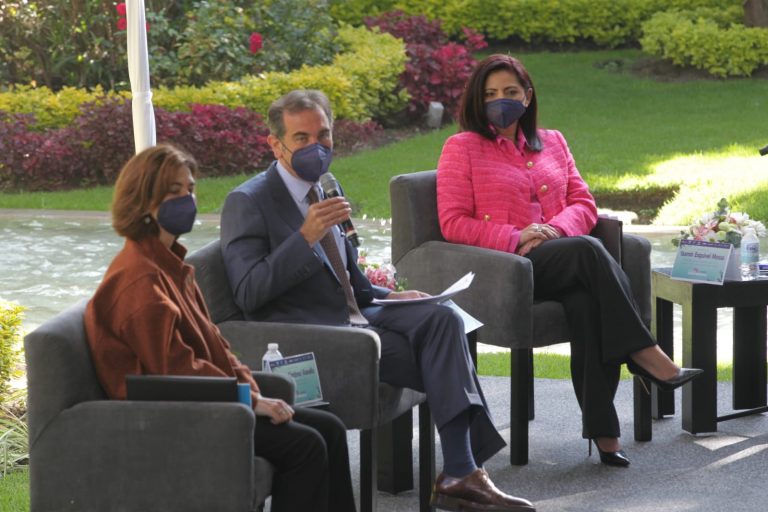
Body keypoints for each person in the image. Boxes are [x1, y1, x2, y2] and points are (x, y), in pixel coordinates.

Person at [220, 89, 536, 512]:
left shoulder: (326, 186)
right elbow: (248, 292)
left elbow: (347, 277)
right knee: (440, 359)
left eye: (323, 135)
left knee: (442, 319)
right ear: (276, 145)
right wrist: (304, 237)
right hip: (315, 335)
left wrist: (392, 295)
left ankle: (461, 472)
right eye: (301, 138)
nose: (317, 147)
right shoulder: (248, 201)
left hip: (360, 311)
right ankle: (463, 472)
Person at [436, 54, 703, 466]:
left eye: (510, 91)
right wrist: (515, 236)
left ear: (527, 97)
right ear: (477, 99)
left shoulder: (553, 142)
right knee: (588, 250)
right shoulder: (462, 148)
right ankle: (647, 355)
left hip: (559, 255)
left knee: (586, 302)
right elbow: (453, 222)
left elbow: (583, 203)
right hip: (508, 268)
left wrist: (553, 230)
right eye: (490, 94)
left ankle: (603, 431)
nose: (500, 100)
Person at [84, 144, 356, 512]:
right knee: (305, 446)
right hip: (170, 417)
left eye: (190, 189)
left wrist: (250, 391)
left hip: (207, 401)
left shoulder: (171, 266)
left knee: (330, 429)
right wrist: (250, 401)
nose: (188, 200)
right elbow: (175, 372)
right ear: (143, 201)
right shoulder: (140, 281)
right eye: (174, 192)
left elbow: (215, 346)